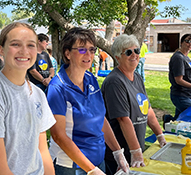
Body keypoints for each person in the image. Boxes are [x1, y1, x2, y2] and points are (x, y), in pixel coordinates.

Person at [0, 22, 56, 175]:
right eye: (15, 44)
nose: (24, 51)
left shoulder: (37, 95)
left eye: (31, 45)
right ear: (2, 50)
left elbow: (42, 151)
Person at [47, 27, 129, 175]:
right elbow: (58, 136)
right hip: (71, 166)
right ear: (67, 53)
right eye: (82, 49)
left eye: (92, 49)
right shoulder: (57, 87)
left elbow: (100, 119)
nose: (89, 55)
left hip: (98, 161)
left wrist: (118, 152)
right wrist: (91, 170)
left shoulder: (91, 79)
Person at [101, 34, 166, 172]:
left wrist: (160, 136)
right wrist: (135, 151)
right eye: (128, 52)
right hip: (122, 154)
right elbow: (123, 119)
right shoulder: (114, 81)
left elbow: (147, 110)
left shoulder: (137, 77)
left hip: (136, 149)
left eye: (136, 51)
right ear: (118, 57)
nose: (134, 55)